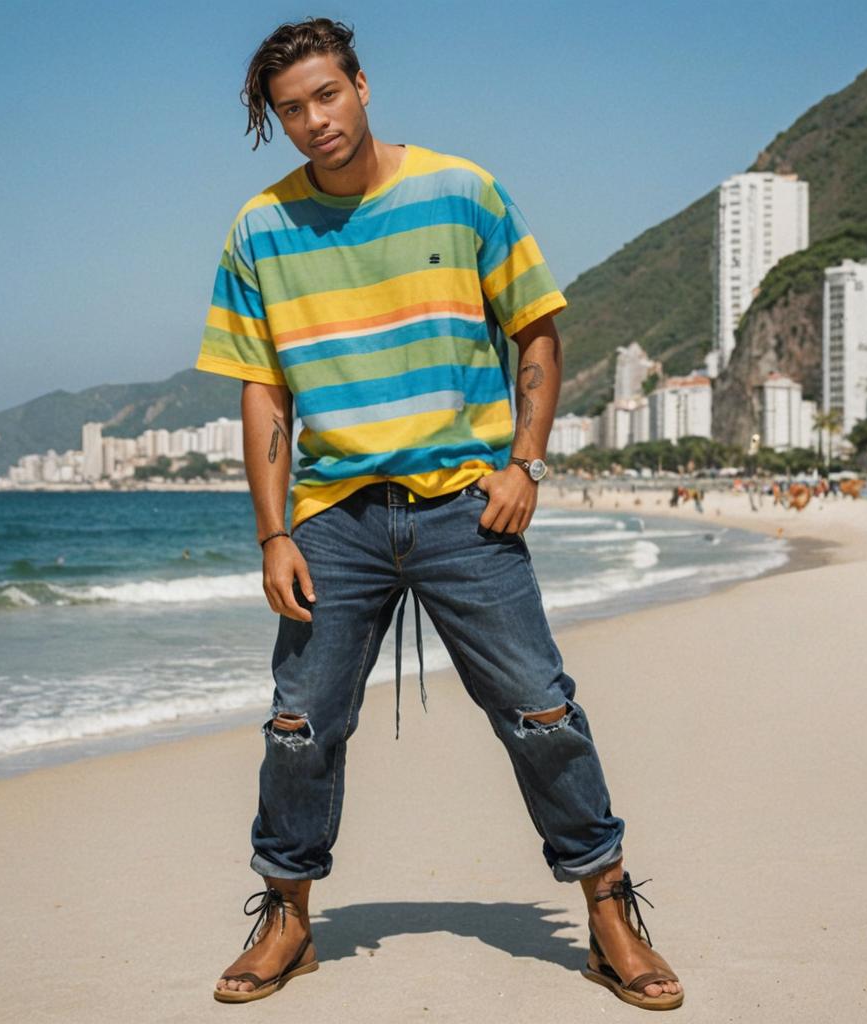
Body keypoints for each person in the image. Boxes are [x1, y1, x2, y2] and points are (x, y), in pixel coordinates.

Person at [194, 18, 682, 1011]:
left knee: (542, 712)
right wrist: (272, 531)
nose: (313, 121)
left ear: (363, 85)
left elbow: (536, 326)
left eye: (327, 95)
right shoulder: (259, 229)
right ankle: (287, 916)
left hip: (466, 508)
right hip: (335, 516)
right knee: (299, 726)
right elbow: (261, 394)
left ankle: (608, 910)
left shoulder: (463, 190)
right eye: (291, 108)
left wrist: (526, 464)